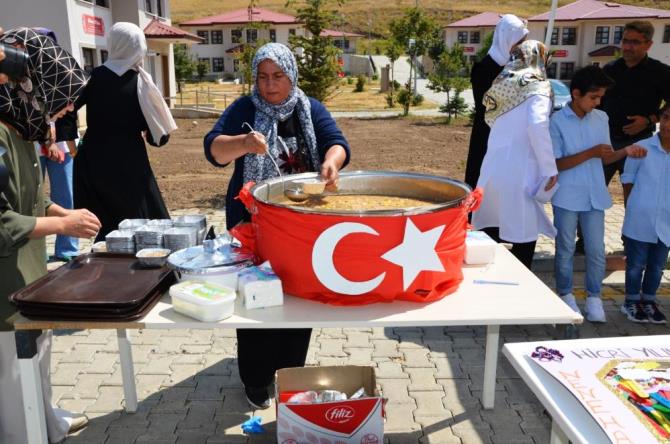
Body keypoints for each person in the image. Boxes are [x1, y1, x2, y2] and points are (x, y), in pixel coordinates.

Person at [204, 43, 350, 409]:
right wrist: (243, 142)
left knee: (297, 297)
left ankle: (288, 370)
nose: (270, 85)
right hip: (251, 222)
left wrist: (332, 163)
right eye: (263, 77)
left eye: (278, 76)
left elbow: (337, 143)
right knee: (255, 297)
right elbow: (214, 150)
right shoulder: (245, 109)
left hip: (302, 224)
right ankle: (255, 377)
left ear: (291, 75)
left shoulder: (309, 108)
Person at [0, 27, 101, 443]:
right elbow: (4, 223)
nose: (58, 111)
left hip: (28, 273)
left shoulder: (19, 126)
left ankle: (44, 421)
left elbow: (26, 198)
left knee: (38, 355)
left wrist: (62, 211)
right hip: (4, 284)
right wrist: (63, 226)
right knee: (11, 372)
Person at [550, 66, 647, 322]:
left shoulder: (601, 118)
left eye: (601, 97)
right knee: (565, 248)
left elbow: (605, 157)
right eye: (593, 97)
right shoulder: (557, 121)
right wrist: (590, 153)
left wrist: (626, 152)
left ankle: (594, 297)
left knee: (595, 249)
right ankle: (565, 295)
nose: (598, 102)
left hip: (594, 194)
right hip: (567, 196)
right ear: (576, 93)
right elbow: (556, 164)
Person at [67, 22, 177, 241]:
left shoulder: (93, 77)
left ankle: (109, 267)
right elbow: (159, 135)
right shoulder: (141, 82)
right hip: (130, 159)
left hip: (94, 158)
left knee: (105, 221)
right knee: (139, 216)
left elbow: (67, 110)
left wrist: (73, 147)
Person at [471, 40, 557, 269]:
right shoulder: (539, 87)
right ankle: (516, 293)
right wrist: (550, 168)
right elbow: (538, 124)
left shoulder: (501, 86)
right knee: (521, 240)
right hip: (520, 173)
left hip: (492, 170)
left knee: (493, 234)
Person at [600, 20, 670, 188]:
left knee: (635, 196)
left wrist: (649, 120)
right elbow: (597, 104)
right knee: (592, 193)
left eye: (635, 42)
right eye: (625, 41)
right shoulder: (609, 69)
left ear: (649, 44)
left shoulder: (660, 72)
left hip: (640, 144)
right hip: (605, 142)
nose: (628, 47)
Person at [619, 103, 670, 325]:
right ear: (660, 118)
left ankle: (649, 300)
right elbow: (628, 180)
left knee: (657, 265)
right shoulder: (641, 147)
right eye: (667, 117)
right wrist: (632, 209)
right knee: (635, 264)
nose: (669, 125)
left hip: (666, 221)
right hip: (640, 217)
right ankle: (631, 300)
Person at [464, 14, 528, 189]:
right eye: (519, 42)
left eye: (523, 41)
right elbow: (488, 105)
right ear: (506, 39)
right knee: (482, 182)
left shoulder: (517, 67)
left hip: (512, 137)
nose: (521, 47)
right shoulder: (483, 69)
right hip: (488, 134)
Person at [33, 28, 79, 261]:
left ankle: (68, 249)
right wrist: (45, 142)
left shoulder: (60, 72)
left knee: (65, 196)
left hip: (59, 146)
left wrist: (63, 143)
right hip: (31, 147)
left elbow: (69, 113)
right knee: (32, 198)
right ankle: (35, 251)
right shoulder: (20, 75)